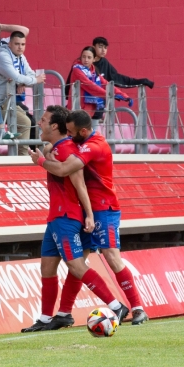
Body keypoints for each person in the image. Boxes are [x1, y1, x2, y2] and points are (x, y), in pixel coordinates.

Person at [29, 110, 149, 325]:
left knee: (109, 256)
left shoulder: (92, 146)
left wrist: (41, 159)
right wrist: (48, 150)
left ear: (82, 131)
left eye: (72, 132)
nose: (69, 135)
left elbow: (67, 170)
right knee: (74, 262)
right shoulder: (74, 144)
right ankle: (62, 314)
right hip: (84, 210)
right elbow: (60, 153)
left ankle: (135, 307)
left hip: (102, 207)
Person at [0, 31, 44, 156]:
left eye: (23, 44)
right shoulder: (2, 56)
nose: (20, 47)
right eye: (17, 44)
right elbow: (16, 76)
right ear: (9, 44)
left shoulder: (21, 57)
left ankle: (22, 156)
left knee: (25, 122)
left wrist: (23, 83)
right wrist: (34, 80)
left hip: (7, 101)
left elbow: (29, 74)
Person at [67, 46, 132, 120]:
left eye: (89, 57)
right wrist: (111, 95)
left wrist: (123, 95)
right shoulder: (77, 70)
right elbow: (90, 86)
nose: (86, 60)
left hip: (89, 110)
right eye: (83, 57)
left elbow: (106, 84)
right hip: (77, 110)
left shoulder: (93, 72)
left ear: (94, 59)